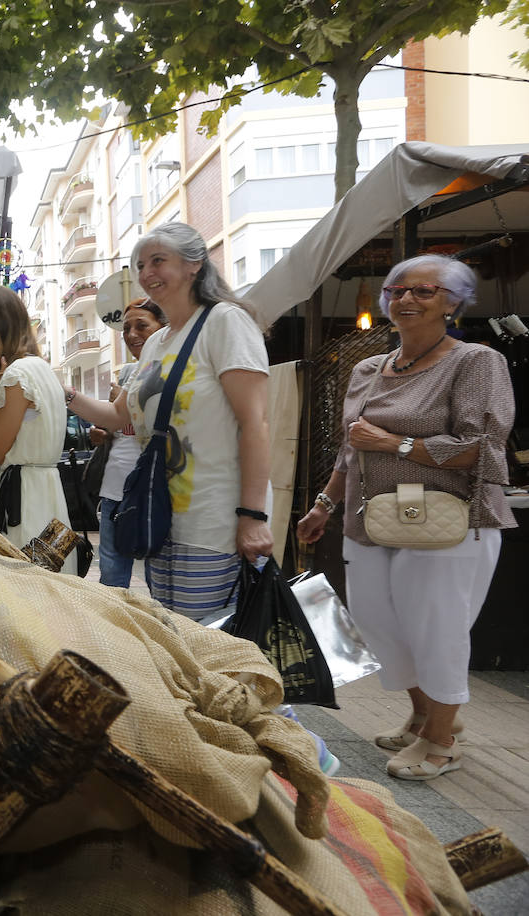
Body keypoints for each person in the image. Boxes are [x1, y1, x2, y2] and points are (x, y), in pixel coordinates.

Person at [296, 254, 514, 782]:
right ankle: (423, 714)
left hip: (446, 520)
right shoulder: (369, 369)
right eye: (397, 290)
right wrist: (324, 505)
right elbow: (352, 452)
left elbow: (484, 448)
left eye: (424, 291)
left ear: (452, 302)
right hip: (368, 519)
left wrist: (397, 443)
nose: (407, 299)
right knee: (380, 624)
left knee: (435, 628)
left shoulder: (475, 362)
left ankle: (443, 739)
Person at [66, 222, 272, 620]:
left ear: (194, 265)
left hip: (214, 521)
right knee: (178, 642)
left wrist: (252, 517)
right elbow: (117, 416)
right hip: (159, 517)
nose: (146, 273)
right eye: (141, 264)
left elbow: (255, 423)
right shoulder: (159, 343)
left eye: (158, 261)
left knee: (208, 646)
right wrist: (64, 393)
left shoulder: (225, 322)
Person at [0, 286, 71, 553]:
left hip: (26, 499)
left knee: (23, 585)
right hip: (46, 493)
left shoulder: (15, 375)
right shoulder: (40, 366)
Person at [88, 299, 166, 587]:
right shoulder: (126, 373)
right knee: (112, 578)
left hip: (151, 490)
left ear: (162, 328)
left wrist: (126, 403)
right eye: (127, 328)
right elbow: (120, 428)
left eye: (142, 326)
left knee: (156, 578)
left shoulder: (171, 371)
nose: (132, 334)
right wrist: (102, 433)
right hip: (114, 490)